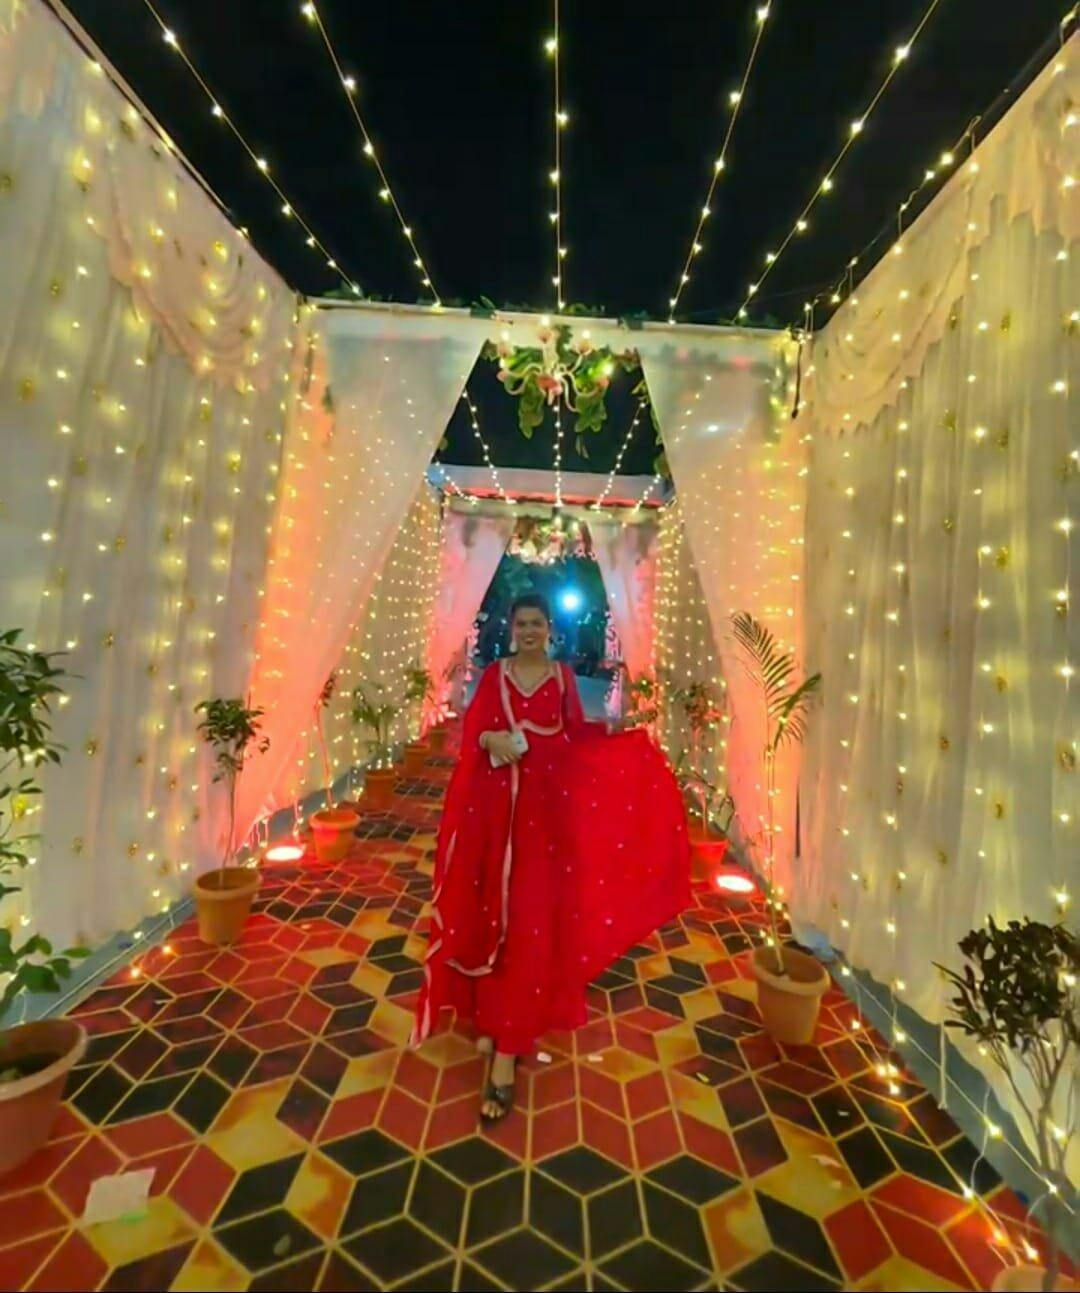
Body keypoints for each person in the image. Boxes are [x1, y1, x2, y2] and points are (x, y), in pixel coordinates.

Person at [412, 593, 690, 1122]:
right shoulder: (495, 676)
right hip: (497, 821)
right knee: (494, 919)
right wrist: (493, 739)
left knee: (529, 926)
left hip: (545, 825)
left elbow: (576, 736)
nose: (529, 631)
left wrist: (619, 742)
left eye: (537, 623)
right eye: (522, 623)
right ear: (511, 628)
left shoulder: (561, 678)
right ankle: (493, 1022)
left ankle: (508, 1049)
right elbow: (472, 734)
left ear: (549, 629)